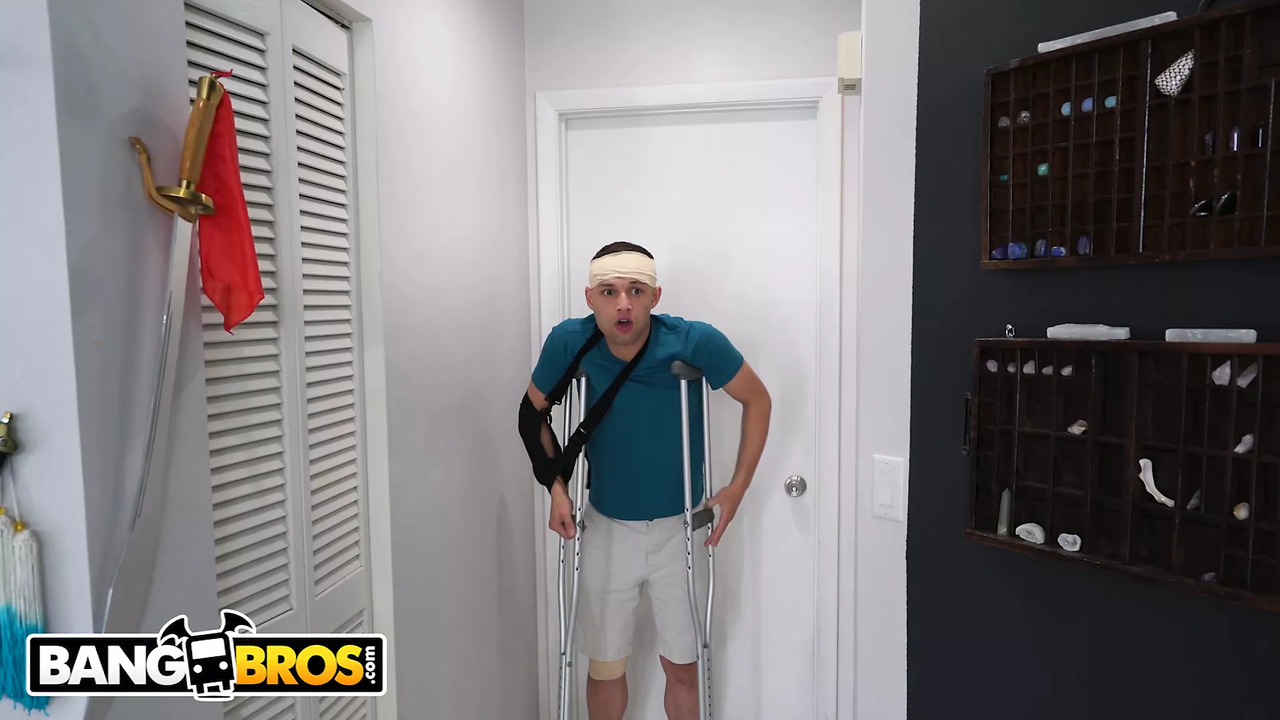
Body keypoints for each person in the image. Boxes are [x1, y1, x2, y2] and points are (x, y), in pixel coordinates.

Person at [520, 242, 771, 720]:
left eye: (636, 291)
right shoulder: (570, 341)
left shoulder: (695, 340)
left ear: (655, 297)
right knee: (605, 666)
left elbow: (757, 400)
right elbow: (531, 415)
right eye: (609, 291)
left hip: (681, 528)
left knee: (682, 666)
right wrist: (556, 488)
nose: (623, 304)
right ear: (590, 297)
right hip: (608, 527)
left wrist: (737, 488)